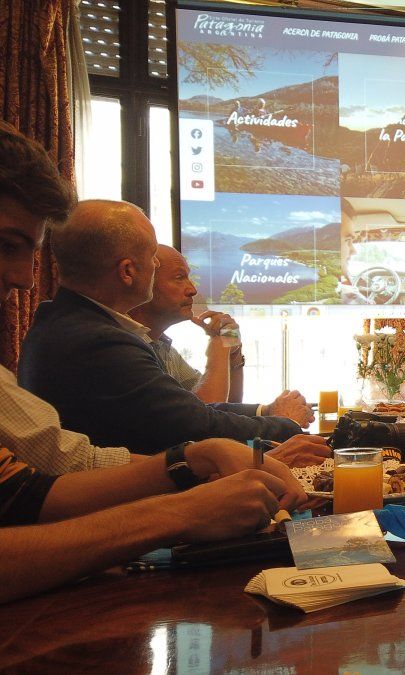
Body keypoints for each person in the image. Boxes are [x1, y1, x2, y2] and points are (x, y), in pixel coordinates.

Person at [0, 122, 311, 604]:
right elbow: (197, 417)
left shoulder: (120, 334)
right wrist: (192, 491)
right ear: (130, 271)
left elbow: (34, 483)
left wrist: (192, 460)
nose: (22, 279)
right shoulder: (92, 341)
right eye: (7, 245)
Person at [18, 199, 316, 455]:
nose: (193, 290)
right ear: (128, 272)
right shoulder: (100, 342)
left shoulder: (83, 327)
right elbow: (197, 422)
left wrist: (263, 403)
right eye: (155, 263)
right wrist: (285, 423)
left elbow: (207, 408)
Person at [129, 244, 244, 404]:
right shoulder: (127, 348)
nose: (192, 290)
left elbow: (227, 406)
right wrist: (218, 344)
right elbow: (203, 417)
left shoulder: (163, 348)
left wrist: (233, 350)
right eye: (179, 277)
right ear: (144, 283)